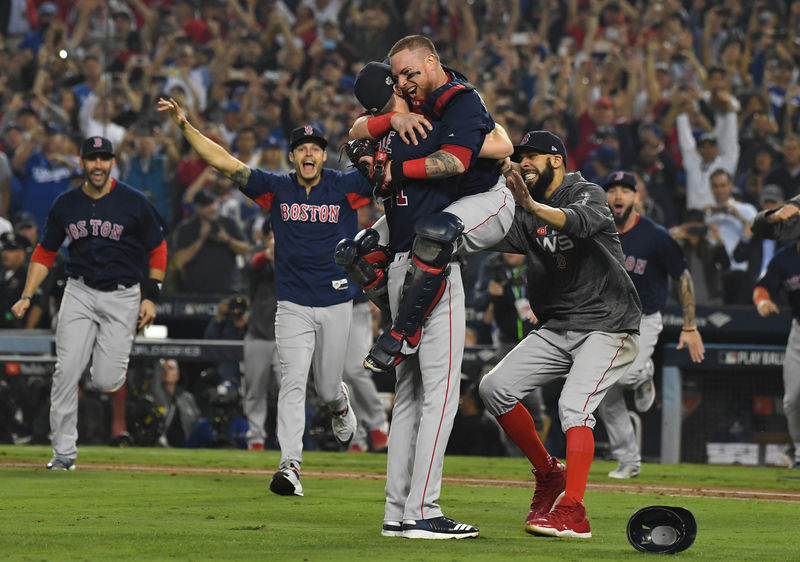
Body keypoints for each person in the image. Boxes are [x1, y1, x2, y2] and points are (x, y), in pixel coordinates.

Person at [157, 98, 368, 497]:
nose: (309, 152)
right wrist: (185, 127)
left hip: (336, 299)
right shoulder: (276, 188)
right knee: (290, 382)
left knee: (324, 388)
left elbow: (391, 178)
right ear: (292, 156)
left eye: (316, 148)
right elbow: (223, 162)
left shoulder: (345, 186)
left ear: (324, 155)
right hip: (290, 303)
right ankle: (290, 465)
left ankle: (339, 401)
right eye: (302, 148)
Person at [340, 58, 513, 539]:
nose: (407, 85)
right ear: (395, 87)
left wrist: (383, 122)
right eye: (399, 80)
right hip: (431, 269)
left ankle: (396, 513)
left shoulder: (381, 137)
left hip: (399, 265)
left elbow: (354, 131)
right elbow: (496, 144)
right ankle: (423, 511)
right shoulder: (426, 126)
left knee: (410, 400)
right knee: (441, 395)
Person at [478, 130, 641, 539]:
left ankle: (573, 510)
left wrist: (529, 204)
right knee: (494, 387)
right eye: (520, 157)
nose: (524, 162)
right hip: (559, 326)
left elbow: (580, 224)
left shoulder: (587, 191)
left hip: (608, 323)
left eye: (532, 156)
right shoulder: (526, 207)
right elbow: (492, 234)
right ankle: (549, 473)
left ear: (556, 160)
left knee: (573, 407)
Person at [349, 36, 515, 373]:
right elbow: (356, 128)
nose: (403, 84)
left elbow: (501, 141)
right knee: (359, 252)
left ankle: (404, 331)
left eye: (408, 75)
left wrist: (394, 166)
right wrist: (392, 121)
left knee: (432, 235)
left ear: (430, 62)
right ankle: (405, 313)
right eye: (397, 80)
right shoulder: (406, 95)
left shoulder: (459, 99)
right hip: (442, 197)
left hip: (480, 195)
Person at [10, 135, 167, 470]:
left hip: (123, 295)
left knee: (106, 380)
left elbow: (158, 249)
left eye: (104, 158)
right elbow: (44, 252)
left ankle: (97, 358)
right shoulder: (66, 204)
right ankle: (64, 453)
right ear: (81, 163)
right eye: (92, 159)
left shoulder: (134, 201)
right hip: (79, 291)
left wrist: (151, 298)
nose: (98, 165)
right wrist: (26, 294)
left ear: (112, 162)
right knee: (65, 371)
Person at [597, 170, 705, 480]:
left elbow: (682, 276)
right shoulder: (598, 230)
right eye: (613, 189)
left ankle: (644, 375)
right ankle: (628, 461)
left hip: (644, 318)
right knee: (606, 393)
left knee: (628, 376)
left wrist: (690, 325)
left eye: (625, 190)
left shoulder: (656, 235)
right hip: (607, 319)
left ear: (636, 197)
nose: (618, 195)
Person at [751, 192, 800, 469]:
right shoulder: (785, 258)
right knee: (793, 399)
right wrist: (763, 301)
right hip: (799, 332)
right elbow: (763, 286)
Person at [242, 219, 280, 451]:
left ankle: (287, 439)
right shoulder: (258, 256)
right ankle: (255, 438)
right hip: (258, 332)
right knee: (254, 388)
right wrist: (269, 254)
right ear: (266, 238)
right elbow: (251, 266)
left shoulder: (297, 254)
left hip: (287, 335)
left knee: (290, 389)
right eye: (272, 235)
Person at [171, 188, 251, 295]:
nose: (212, 208)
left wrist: (227, 240)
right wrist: (201, 238)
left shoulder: (228, 223)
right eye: (206, 205)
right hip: (197, 293)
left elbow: (246, 249)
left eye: (213, 203)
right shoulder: (186, 228)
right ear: (197, 208)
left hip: (228, 290)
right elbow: (178, 262)